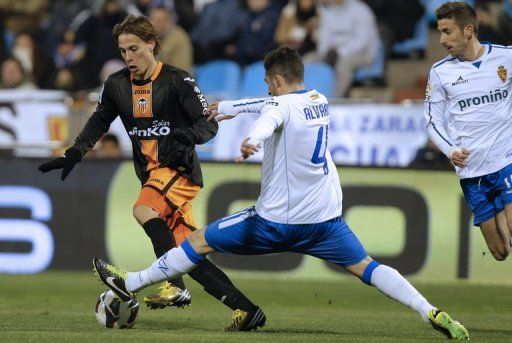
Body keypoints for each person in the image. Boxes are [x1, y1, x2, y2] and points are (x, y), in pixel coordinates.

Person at [93, 46, 470, 340]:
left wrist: (250, 141)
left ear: (273, 80)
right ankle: (429, 310)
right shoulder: (319, 100)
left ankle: (132, 282)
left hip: (275, 222)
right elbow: (272, 104)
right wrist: (227, 108)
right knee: (368, 268)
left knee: (197, 242)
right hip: (325, 224)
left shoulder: (275, 106)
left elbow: (269, 115)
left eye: (266, 83)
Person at [38, 14, 265, 331]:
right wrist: (75, 152)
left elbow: (208, 123)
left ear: (152, 45)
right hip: (152, 176)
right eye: (123, 51)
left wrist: (188, 136)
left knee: (143, 209)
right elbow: (100, 120)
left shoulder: (177, 80)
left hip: (179, 170)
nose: (129, 57)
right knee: (189, 254)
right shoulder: (117, 85)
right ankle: (248, 311)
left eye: (134, 48)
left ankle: (174, 286)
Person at [424, 1, 512, 262]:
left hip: (507, 158)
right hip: (472, 169)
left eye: (447, 31)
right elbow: (432, 121)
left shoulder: (505, 57)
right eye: (440, 31)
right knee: (499, 251)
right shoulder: (440, 73)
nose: (441, 40)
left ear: (468, 30)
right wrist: (450, 150)